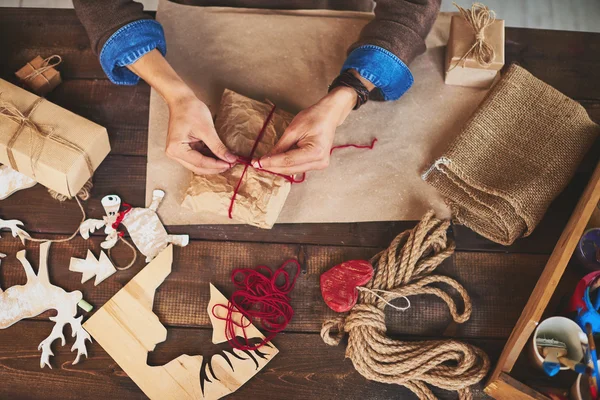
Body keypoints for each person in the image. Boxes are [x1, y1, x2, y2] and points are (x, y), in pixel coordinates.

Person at [73, 0, 440, 175]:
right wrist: (175, 93)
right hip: (196, 20)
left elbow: (412, 6)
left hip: (330, 13)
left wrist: (349, 92)